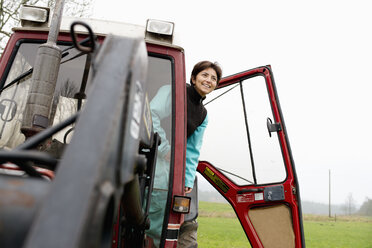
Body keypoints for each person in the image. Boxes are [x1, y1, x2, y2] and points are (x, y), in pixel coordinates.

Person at [146, 61, 222, 248]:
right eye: (205, 75)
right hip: (153, 158)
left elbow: (193, 149)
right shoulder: (173, 91)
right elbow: (151, 115)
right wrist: (164, 148)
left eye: (214, 78)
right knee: (150, 213)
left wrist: (187, 180)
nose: (208, 80)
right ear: (193, 77)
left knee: (167, 220)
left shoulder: (203, 115)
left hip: (172, 169)